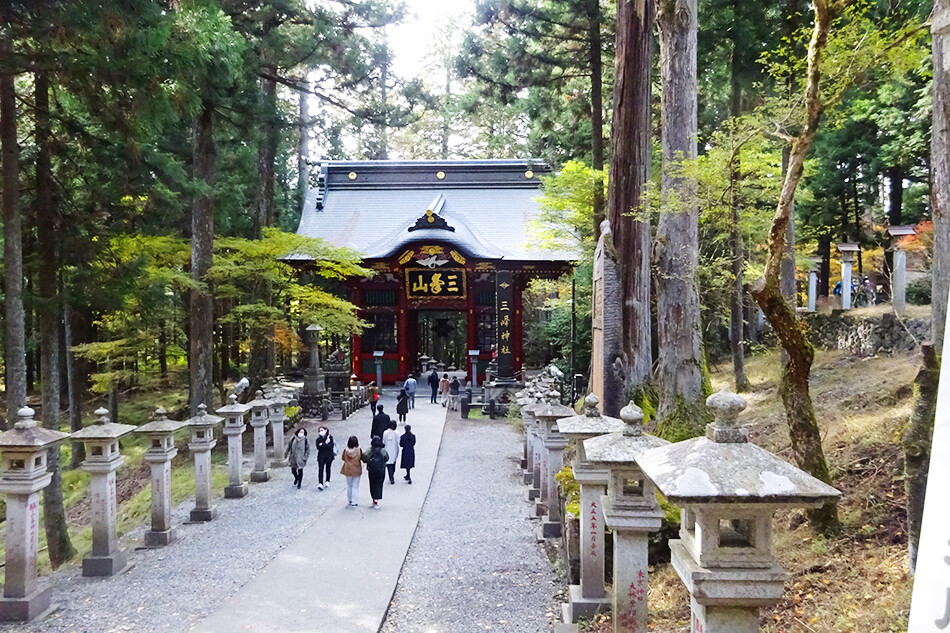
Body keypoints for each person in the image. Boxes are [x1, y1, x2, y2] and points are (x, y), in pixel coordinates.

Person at [362, 435, 389, 508]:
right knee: (379, 484)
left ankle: (373, 498)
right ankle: (377, 500)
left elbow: (364, 458)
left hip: (372, 470)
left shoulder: (369, 450)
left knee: (372, 483)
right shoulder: (383, 450)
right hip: (381, 470)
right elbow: (387, 458)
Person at [340, 436, 363, 507]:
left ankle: (349, 499)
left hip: (348, 469)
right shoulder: (358, 450)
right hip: (356, 469)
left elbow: (343, 458)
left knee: (349, 485)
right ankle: (354, 502)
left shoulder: (345, 451)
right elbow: (362, 457)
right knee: (355, 486)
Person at [314, 425, 335, 490]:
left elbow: (330, 446)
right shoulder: (318, 439)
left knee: (328, 468)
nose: (321, 432)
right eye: (319, 431)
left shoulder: (330, 437)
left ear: (326, 430)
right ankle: (320, 482)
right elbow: (318, 447)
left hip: (329, 456)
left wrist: (323, 444)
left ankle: (327, 480)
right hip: (321, 456)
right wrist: (325, 443)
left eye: (322, 430)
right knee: (320, 469)